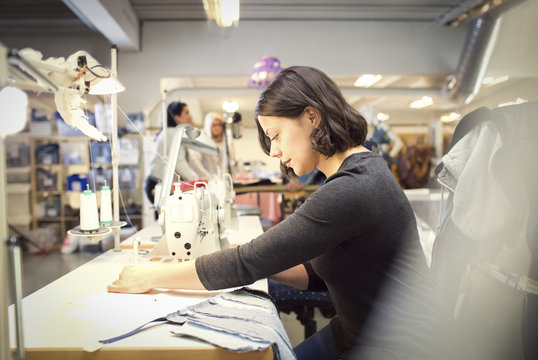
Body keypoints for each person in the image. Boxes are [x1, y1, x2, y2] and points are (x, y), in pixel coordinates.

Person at [109, 67, 469, 359]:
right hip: (361, 330)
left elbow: (246, 263)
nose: (276, 152)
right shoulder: (356, 175)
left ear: (311, 117)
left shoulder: (353, 188)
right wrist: (260, 256)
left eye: (277, 135)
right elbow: (316, 275)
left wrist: (152, 275)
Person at [144, 101, 211, 205]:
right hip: (156, 184)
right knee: (164, 217)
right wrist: (196, 181)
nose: (190, 116)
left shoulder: (178, 133)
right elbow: (178, 162)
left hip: (162, 183)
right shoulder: (171, 133)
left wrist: (206, 177)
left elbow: (191, 159)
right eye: (186, 113)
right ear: (177, 116)